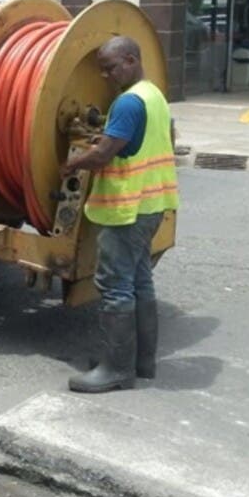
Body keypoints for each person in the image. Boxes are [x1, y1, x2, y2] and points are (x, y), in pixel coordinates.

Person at [62, 36, 179, 394]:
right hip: (152, 206)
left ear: (130, 60)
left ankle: (116, 370)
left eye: (110, 68)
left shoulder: (128, 103)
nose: (106, 76)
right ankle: (142, 362)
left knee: (115, 286)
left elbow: (103, 156)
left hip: (127, 210)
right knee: (140, 281)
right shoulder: (153, 95)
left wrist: (71, 164)